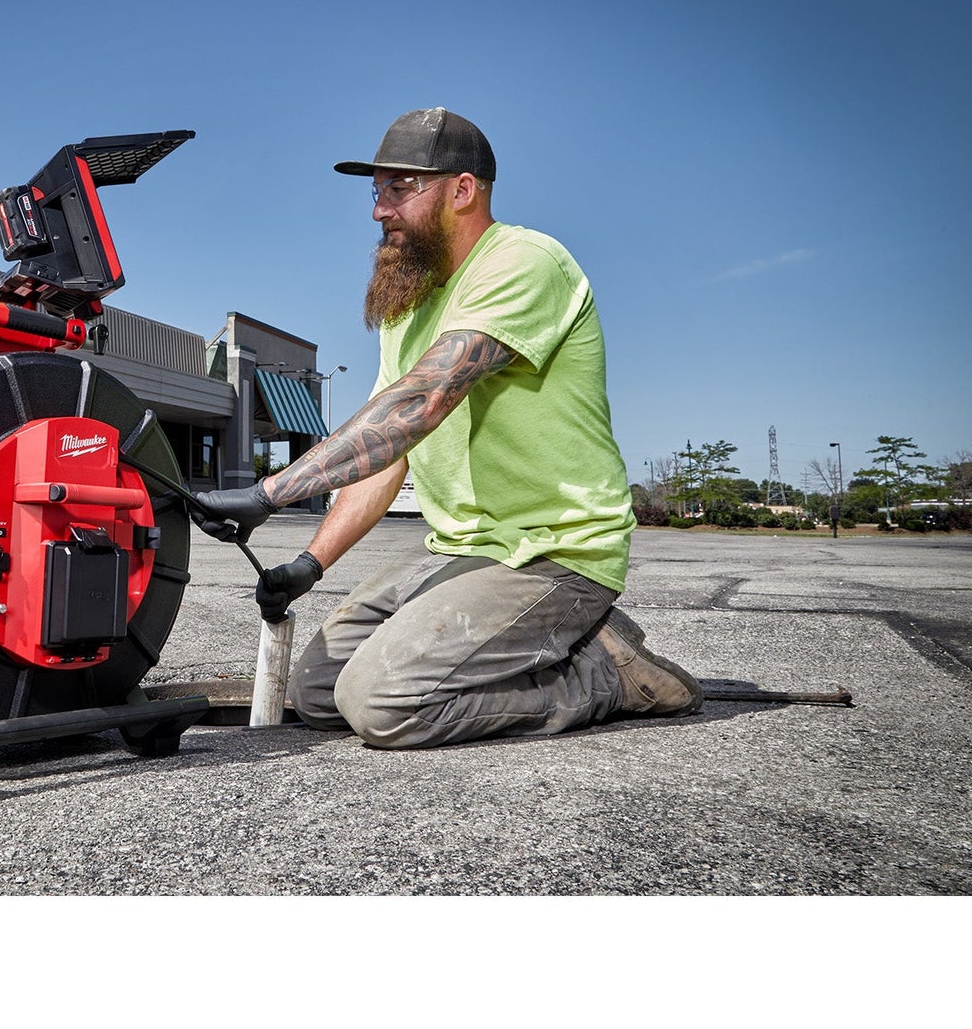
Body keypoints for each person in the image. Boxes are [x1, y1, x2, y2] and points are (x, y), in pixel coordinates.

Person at [190, 107, 701, 749]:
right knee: (317, 693)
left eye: (400, 188)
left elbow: (420, 403)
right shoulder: (409, 304)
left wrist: (269, 494)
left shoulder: (524, 261)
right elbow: (386, 452)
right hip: (462, 551)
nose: (380, 210)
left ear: (463, 190)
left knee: (381, 704)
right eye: (376, 191)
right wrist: (309, 564)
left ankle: (606, 674)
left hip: (553, 553)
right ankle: (551, 645)